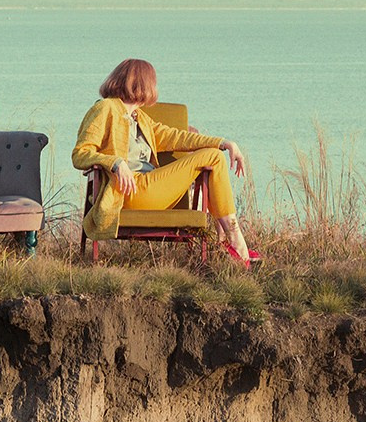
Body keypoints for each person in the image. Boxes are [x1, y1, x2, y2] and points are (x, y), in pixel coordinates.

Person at [72, 58, 260, 267]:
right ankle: (235, 243)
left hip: (152, 190)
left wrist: (225, 143)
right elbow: (80, 153)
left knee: (214, 153)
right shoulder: (105, 109)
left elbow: (180, 138)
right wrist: (115, 163)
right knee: (213, 157)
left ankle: (229, 239)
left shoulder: (140, 118)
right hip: (129, 191)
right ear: (143, 83)